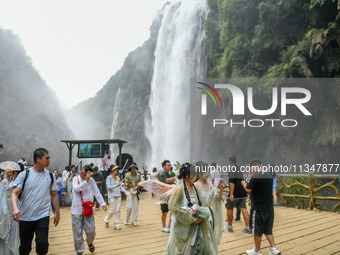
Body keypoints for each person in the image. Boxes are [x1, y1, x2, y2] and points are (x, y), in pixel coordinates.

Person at [165, 162, 224, 255]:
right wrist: (190, 214)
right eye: (193, 175)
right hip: (187, 221)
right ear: (187, 175)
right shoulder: (183, 188)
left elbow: (198, 202)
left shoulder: (194, 186)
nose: (195, 177)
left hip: (198, 219)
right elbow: (173, 206)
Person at [11, 148, 59, 255]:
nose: (49, 160)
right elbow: (14, 193)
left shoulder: (50, 176)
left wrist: (57, 213)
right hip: (25, 216)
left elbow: (54, 195)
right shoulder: (25, 174)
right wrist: (15, 208)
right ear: (38, 159)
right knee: (25, 246)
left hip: (43, 215)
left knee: (42, 244)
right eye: (46, 158)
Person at [241, 160, 281, 255]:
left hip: (258, 208)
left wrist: (243, 183)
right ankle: (274, 249)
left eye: (251, 170)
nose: (250, 172)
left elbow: (248, 189)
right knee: (267, 230)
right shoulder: (269, 175)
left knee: (257, 230)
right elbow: (261, 188)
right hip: (269, 208)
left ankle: (257, 251)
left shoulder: (255, 176)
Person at [71, 165, 107, 255]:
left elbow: (96, 192)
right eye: (81, 173)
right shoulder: (76, 179)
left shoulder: (91, 180)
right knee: (77, 232)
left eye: (84, 174)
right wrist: (85, 181)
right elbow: (76, 189)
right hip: (76, 210)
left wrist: (102, 203)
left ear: (89, 174)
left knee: (91, 230)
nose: (81, 175)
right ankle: (79, 251)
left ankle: (89, 241)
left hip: (88, 209)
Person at [0, 162, 21, 255]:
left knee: (14, 228)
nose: (8, 173)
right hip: (3, 206)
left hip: (13, 205)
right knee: (4, 227)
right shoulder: (3, 182)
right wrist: (4, 179)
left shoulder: (16, 182)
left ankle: (13, 250)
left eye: (10, 172)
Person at [226, 155, 250, 233]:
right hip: (242, 192)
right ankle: (248, 226)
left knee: (229, 207)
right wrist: (246, 190)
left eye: (228, 160)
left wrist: (231, 194)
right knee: (243, 208)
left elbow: (232, 182)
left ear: (230, 161)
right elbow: (242, 180)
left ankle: (229, 226)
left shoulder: (231, 169)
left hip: (235, 193)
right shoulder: (239, 168)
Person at [158, 160, 177, 233]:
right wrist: (175, 177)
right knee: (164, 211)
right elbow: (167, 181)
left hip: (170, 195)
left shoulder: (169, 173)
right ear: (163, 166)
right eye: (168, 165)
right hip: (164, 195)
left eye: (170, 165)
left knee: (172, 210)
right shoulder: (162, 174)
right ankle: (163, 226)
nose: (170, 166)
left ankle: (169, 225)